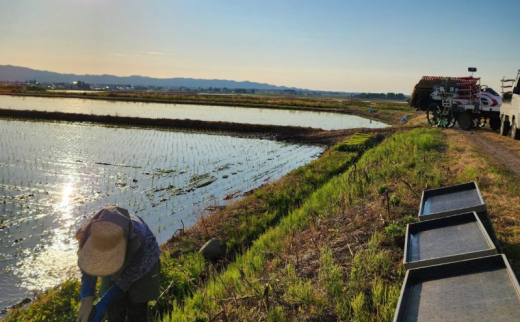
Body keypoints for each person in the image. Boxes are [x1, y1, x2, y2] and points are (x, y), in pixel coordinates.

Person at [75, 206, 161, 322]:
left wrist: (104, 303)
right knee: (115, 311)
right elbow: (89, 263)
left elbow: (127, 279)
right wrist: (87, 296)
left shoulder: (138, 239)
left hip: (143, 266)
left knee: (137, 311)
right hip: (120, 259)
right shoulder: (91, 233)